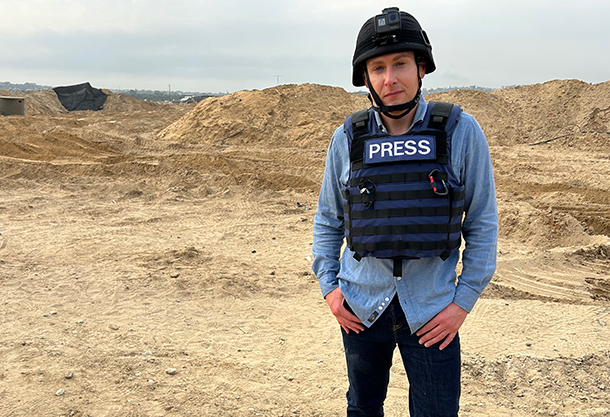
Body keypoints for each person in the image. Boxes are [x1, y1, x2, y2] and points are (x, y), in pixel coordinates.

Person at [311, 7, 498, 417]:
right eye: (377, 68)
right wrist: (329, 288)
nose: (389, 79)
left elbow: (482, 223)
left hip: (432, 312)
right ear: (366, 78)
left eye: (400, 64)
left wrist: (461, 304)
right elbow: (329, 218)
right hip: (362, 307)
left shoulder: (460, 132)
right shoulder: (347, 138)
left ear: (422, 68)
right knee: (362, 407)